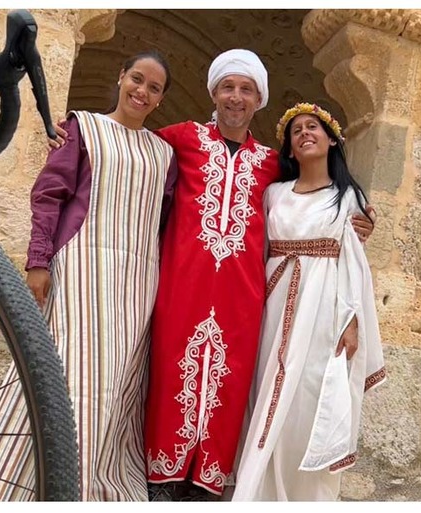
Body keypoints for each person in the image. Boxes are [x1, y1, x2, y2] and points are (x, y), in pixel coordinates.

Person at [142, 49, 375, 501]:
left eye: (246, 89)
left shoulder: (271, 165)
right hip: (182, 284)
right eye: (228, 87)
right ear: (213, 92)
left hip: (246, 297)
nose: (236, 97)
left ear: (258, 99)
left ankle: (209, 484)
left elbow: (314, 193)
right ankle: (163, 477)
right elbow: (129, 143)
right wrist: (70, 136)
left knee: (231, 382)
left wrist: (360, 213)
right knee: (172, 369)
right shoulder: (182, 138)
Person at [0, 51, 178, 501]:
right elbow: (49, 194)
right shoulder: (82, 128)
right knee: (70, 374)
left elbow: (169, 219)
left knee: (117, 382)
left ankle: (92, 482)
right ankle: (49, 483)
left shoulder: (164, 154)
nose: (142, 91)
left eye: (154, 88)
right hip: (83, 268)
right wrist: (38, 262)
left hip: (138, 281)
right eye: (136, 79)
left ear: (160, 99)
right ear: (121, 77)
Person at [231, 103, 386, 501]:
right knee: (267, 393)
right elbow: (256, 249)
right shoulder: (274, 195)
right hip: (274, 304)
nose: (304, 134)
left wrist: (351, 323)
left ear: (331, 139)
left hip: (322, 311)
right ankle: (258, 491)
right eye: (296, 131)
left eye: (312, 127)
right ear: (291, 149)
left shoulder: (347, 197)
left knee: (308, 401)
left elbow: (354, 265)